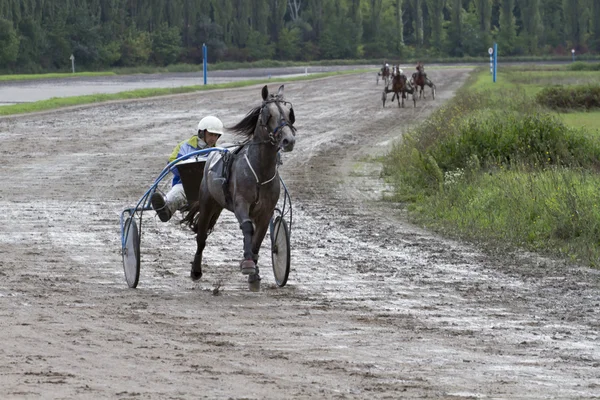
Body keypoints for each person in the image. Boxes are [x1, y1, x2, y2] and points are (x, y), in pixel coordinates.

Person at [151, 115, 224, 222]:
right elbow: (172, 163)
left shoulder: (219, 151)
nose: (213, 138)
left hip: (210, 189)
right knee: (178, 192)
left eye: (216, 135)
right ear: (202, 132)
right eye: (211, 134)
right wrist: (186, 171)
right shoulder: (184, 147)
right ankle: (165, 209)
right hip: (186, 186)